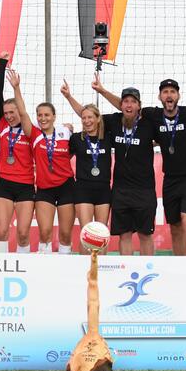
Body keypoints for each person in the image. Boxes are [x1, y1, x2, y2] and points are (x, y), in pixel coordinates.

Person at [91, 73, 186, 256]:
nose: (169, 95)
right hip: (170, 179)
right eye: (165, 92)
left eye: (172, 92)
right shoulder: (153, 115)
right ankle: (179, 266)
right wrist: (103, 91)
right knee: (175, 226)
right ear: (159, 97)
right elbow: (127, 109)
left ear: (178, 96)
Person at [74, 80, 156, 255]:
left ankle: (148, 275)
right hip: (120, 190)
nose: (129, 105)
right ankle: (126, 274)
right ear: (121, 105)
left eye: (133, 101)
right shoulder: (113, 121)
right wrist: (69, 97)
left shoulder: (149, 123)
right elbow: (88, 116)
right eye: (125, 101)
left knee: (145, 235)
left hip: (144, 189)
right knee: (124, 235)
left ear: (139, 106)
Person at [11, 70, 75, 254]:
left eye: (47, 115)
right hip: (45, 188)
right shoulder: (34, 134)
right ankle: (43, 269)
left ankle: (64, 271)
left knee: (64, 233)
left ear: (54, 116)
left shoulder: (66, 132)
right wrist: (16, 87)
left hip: (66, 187)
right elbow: (22, 113)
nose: (43, 118)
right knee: (45, 232)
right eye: (40, 115)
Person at [61, 83, 112, 255]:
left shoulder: (108, 137)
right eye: (84, 118)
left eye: (91, 117)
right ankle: (83, 271)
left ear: (98, 119)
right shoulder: (76, 138)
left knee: (101, 232)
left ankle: (101, 270)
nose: (87, 121)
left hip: (104, 189)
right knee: (86, 231)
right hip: (83, 189)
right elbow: (62, 156)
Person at [0, 53, 35, 253]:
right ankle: (0, 271)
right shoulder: (2, 123)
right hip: (4, 184)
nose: (9, 116)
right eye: (7, 112)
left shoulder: (29, 129)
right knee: (1, 232)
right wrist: (2, 65)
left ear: (20, 111)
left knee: (23, 234)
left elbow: (24, 113)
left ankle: (24, 270)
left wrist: (17, 88)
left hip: (26, 185)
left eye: (13, 112)